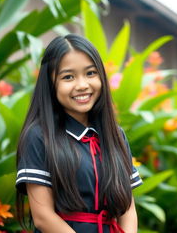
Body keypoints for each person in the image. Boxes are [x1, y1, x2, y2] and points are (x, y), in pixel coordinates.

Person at [15, 34, 142, 233]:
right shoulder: (39, 136)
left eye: (90, 73)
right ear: (51, 84)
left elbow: (127, 209)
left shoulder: (115, 135)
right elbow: (42, 217)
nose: (82, 85)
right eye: (68, 77)